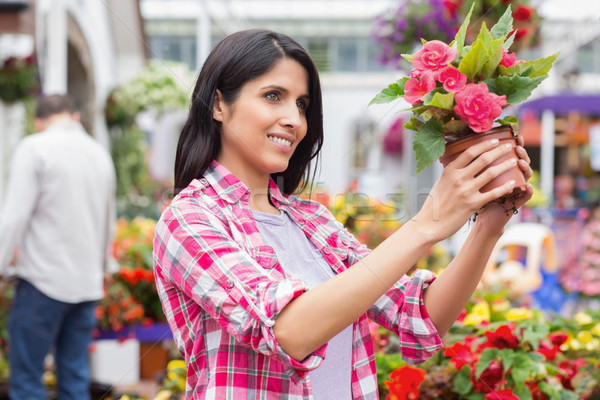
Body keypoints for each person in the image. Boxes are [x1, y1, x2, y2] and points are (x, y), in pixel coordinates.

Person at [153, 29, 533, 399]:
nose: (294, 119)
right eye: (273, 96)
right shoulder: (189, 220)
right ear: (218, 104)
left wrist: (489, 225)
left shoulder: (311, 221)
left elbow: (419, 318)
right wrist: (424, 225)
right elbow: (287, 331)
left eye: (301, 104)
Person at [0, 94, 117, 400]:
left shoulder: (34, 147)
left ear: (40, 121)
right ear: (74, 117)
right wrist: (106, 266)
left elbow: (14, 216)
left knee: (27, 380)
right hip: (87, 285)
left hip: (43, 281)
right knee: (74, 378)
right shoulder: (98, 153)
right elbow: (108, 217)